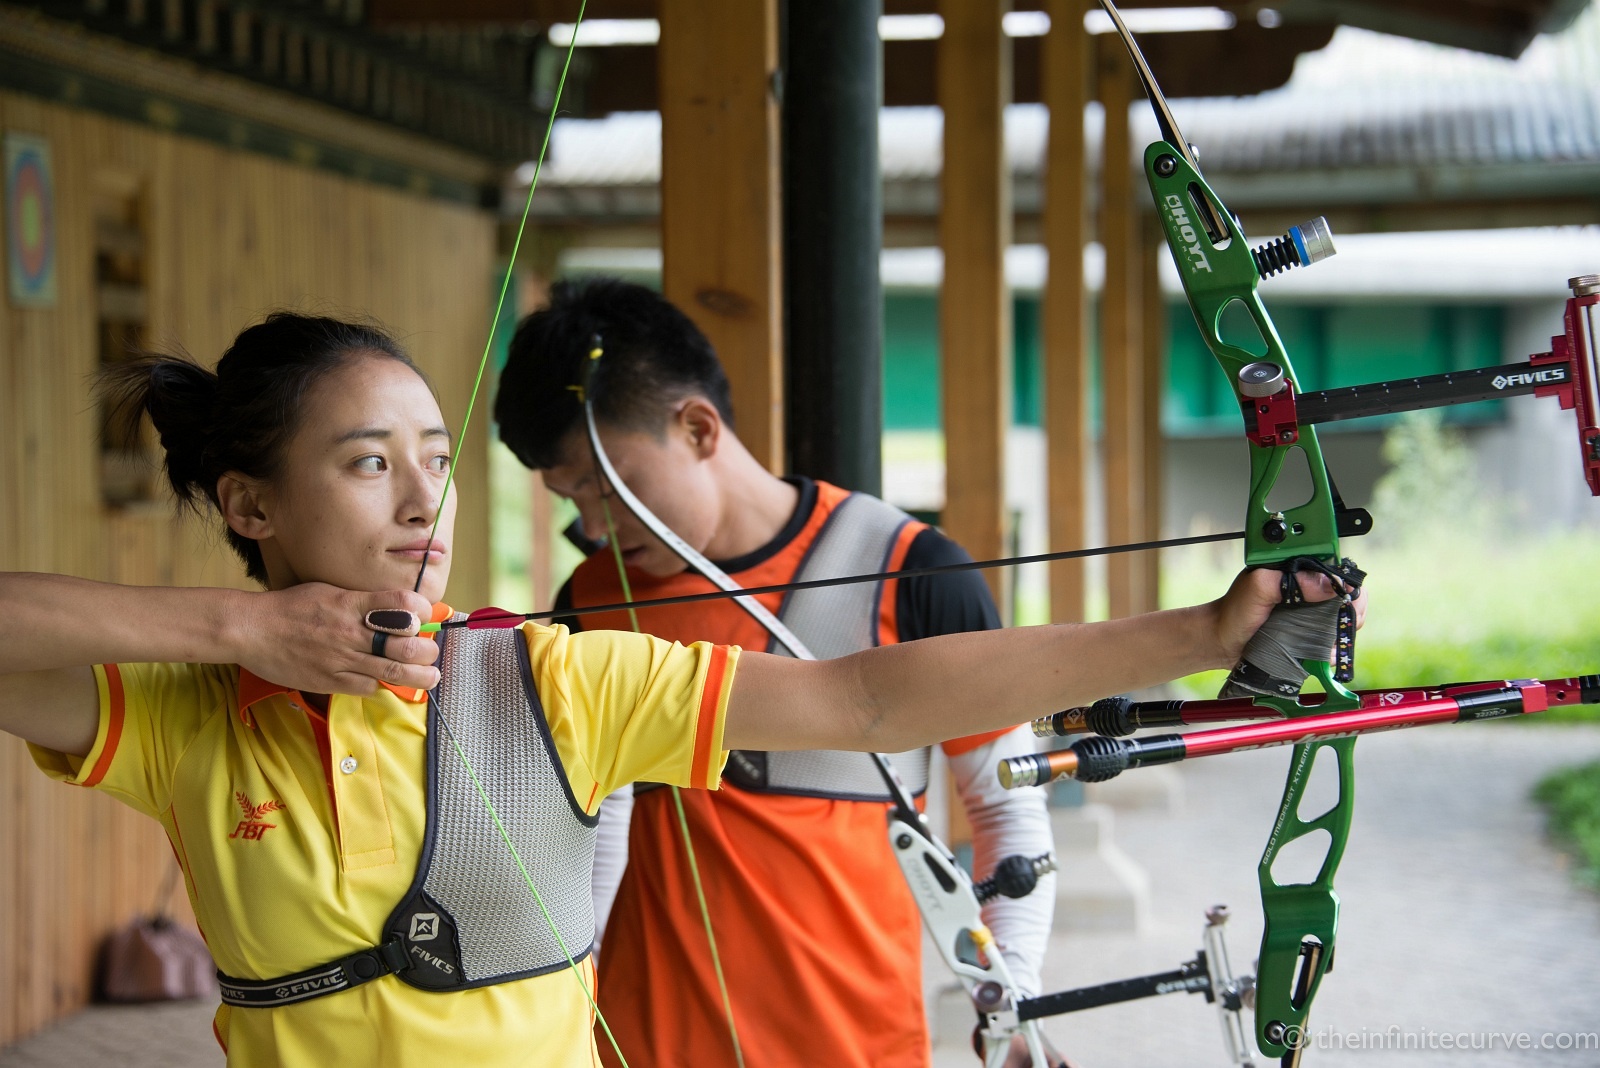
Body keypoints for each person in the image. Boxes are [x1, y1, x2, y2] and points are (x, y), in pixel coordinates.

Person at [0, 312, 1332, 1068]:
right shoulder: (189, 716)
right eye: (366, 464)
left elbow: (863, 703)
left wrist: (1200, 631)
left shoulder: (544, 676)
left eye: (435, 461)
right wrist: (243, 628)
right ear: (250, 506)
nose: (422, 502)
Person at [493, 278, 1060, 1068]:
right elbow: (599, 835)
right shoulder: (590, 600)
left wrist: (1013, 1004)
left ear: (697, 428)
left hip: (859, 1047)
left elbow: (1006, 810)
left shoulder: (911, 570)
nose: (593, 526)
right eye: (570, 498)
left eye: (607, 486)